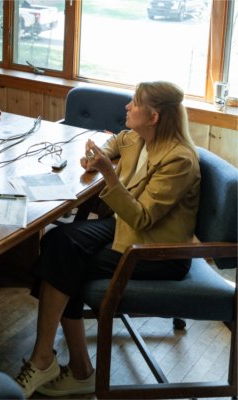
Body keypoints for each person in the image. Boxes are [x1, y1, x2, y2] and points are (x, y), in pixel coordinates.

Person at [14, 81, 200, 398]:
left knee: (66, 259)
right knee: (59, 241)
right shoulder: (140, 139)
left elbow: (142, 217)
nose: (127, 107)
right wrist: (96, 155)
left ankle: (52, 361)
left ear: (153, 116)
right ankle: (70, 366)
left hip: (158, 251)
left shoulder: (179, 160)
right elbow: (116, 142)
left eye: (134, 103)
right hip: (127, 229)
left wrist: (109, 174)